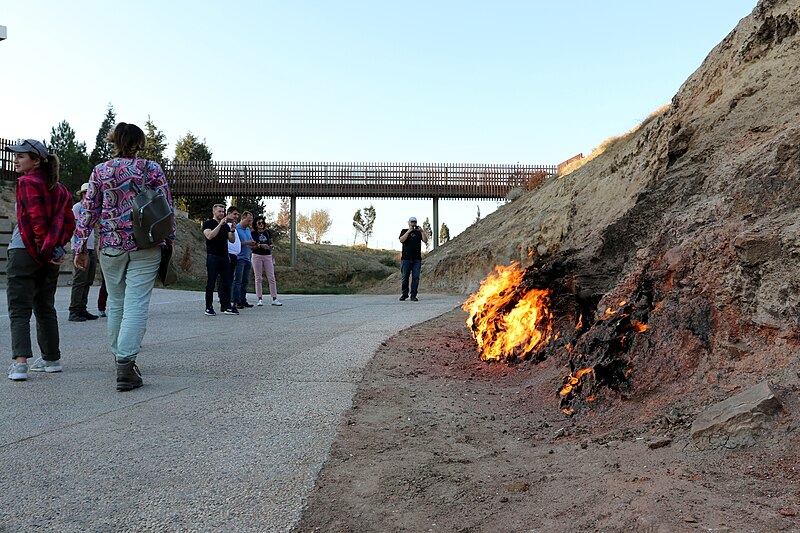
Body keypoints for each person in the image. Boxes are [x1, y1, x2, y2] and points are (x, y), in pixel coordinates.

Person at [73, 122, 176, 392]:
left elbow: (88, 211)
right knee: (136, 304)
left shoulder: (100, 171)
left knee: (116, 303)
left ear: (114, 141)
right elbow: (166, 206)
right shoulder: (150, 169)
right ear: (139, 142)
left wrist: (81, 246)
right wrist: (170, 239)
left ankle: (119, 358)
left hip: (110, 245)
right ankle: (125, 365)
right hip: (145, 244)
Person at [5, 139, 76, 381]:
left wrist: (43, 248)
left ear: (36, 160)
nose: (16, 160)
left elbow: (36, 220)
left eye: (21, 156)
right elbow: (70, 223)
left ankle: (20, 364)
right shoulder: (61, 188)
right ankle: (51, 359)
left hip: (24, 251)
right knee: (45, 306)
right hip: (49, 255)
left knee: (19, 308)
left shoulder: (26, 182)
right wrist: (55, 248)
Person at [68, 183, 99, 322]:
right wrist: (81, 246)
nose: (88, 195)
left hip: (90, 247)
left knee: (88, 280)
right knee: (79, 280)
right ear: (82, 194)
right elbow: (74, 227)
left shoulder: (91, 209)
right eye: (86, 193)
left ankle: (82, 308)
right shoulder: (77, 207)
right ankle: (74, 310)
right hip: (80, 247)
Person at [202, 204, 237, 316]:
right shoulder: (208, 224)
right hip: (213, 256)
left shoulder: (225, 226)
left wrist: (232, 231)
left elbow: (231, 240)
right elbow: (209, 236)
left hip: (224, 257)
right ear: (214, 212)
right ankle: (209, 307)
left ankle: (226, 306)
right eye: (219, 211)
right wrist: (219, 225)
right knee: (211, 283)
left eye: (223, 211)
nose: (221, 213)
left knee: (226, 282)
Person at [251, 218, 282, 306]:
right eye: (259, 223)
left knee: (271, 277)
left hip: (267, 255)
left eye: (262, 223)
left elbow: (271, 243)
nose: (261, 224)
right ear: (256, 224)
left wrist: (270, 247)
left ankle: (274, 298)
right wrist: (260, 245)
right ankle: (259, 298)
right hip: (257, 255)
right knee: (258, 277)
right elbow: (251, 247)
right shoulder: (253, 233)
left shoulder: (268, 232)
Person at [398, 216, 428, 302]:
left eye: (414, 222)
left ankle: (413, 295)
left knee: (415, 277)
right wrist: (409, 231)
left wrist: (422, 231)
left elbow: (425, 240)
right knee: (405, 277)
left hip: (416, 259)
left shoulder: (419, 233)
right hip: (406, 258)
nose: (413, 224)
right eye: (412, 222)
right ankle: (404, 294)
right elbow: (401, 240)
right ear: (408, 223)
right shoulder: (404, 231)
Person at [233, 211, 256, 308]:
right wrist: (247, 243)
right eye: (248, 220)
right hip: (239, 258)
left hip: (247, 257)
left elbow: (249, 242)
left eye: (251, 220)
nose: (249, 222)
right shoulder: (236, 229)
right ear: (243, 218)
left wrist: (253, 244)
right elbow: (235, 243)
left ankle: (243, 299)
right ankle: (236, 300)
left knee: (245, 280)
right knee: (238, 280)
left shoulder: (247, 230)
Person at [224, 206, 241, 314]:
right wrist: (227, 254)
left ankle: (227, 302)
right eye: (234, 214)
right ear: (228, 213)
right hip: (228, 255)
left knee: (230, 280)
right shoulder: (225, 225)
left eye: (238, 214)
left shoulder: (233, 226)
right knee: (227, 280)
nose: (236, 216)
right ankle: (226, 302)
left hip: (234, 255)